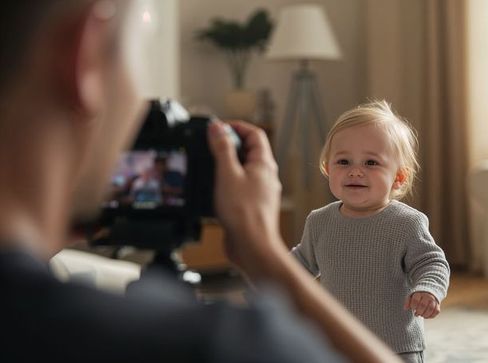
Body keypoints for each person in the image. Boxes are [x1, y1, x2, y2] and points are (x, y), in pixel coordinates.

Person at [0, 1, 402, 362]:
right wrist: (264, 252)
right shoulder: (208, 342)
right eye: (139, 48)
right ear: (85, 56)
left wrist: (43, 233)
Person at [291, 101, 451, 363]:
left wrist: (428, 288)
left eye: (371, 162)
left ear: (398, 177)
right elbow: (300, 263)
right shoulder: (319, 222)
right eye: (343, 161)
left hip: (395, 345)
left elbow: (431, 262)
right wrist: (267, 275)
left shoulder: (406, 223)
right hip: (336, 341)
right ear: (327, 168)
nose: (355, 170)